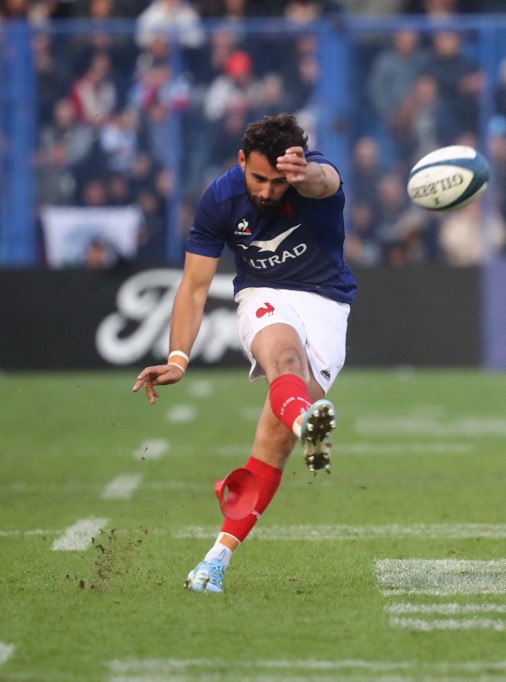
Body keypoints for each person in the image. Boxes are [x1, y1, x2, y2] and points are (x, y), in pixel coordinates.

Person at [131, 113, 356, 594]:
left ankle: (215, 560)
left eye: (279, 180)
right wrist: (177, 359)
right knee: (285, 362)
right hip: (263, 293)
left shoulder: (311, 174)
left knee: (271, 447)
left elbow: (326, 181)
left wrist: (306, 173)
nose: (270, 190)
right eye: (259, 178)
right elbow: (193, 288)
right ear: (241, 161)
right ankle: (308, 422)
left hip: (327, 303)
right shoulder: (221, 197)